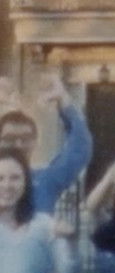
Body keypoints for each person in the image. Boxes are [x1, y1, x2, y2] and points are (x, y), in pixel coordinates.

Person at [0, 75, 92, 214]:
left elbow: (80, 148)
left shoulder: (46, 180)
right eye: (10, 139)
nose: (18, 145)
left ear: (36, 142)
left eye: (25, 139)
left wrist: (63, 100)